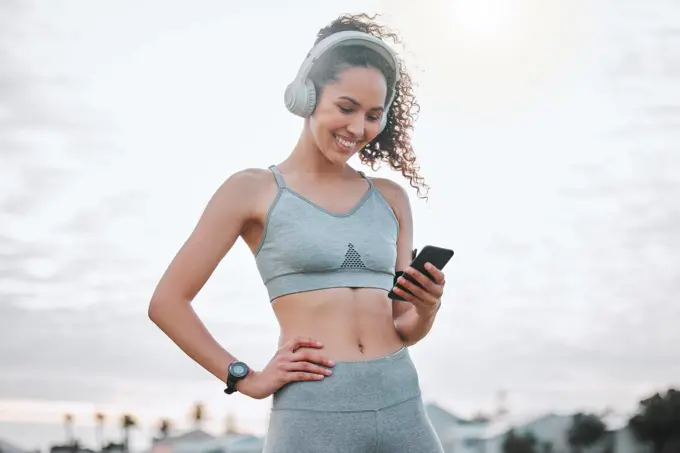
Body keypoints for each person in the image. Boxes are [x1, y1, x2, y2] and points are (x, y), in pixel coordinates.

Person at [148, 12, 447, 453]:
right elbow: (167, 303)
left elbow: (403, 325)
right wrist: (244, 378)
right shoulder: (251, 190)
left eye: (372, 115)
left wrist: (427, 309)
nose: (357, 129)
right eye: (345, 108)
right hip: (313, 411)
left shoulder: (391, 198)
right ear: (306, 95)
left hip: (403, 401)